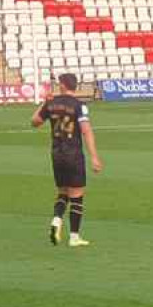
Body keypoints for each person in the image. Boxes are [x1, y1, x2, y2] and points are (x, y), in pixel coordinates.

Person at [30, 73, 103, 247]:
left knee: (62, 191)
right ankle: (74, 236)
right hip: (73, 153)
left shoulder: (51, 103)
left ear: (62, 85)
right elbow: (86, 130)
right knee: (77, 195)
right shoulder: (79, 106)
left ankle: (56, 219)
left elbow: (34, 122)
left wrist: (44, 102)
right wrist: (94, 156)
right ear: (75, 86)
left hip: (56, 153)